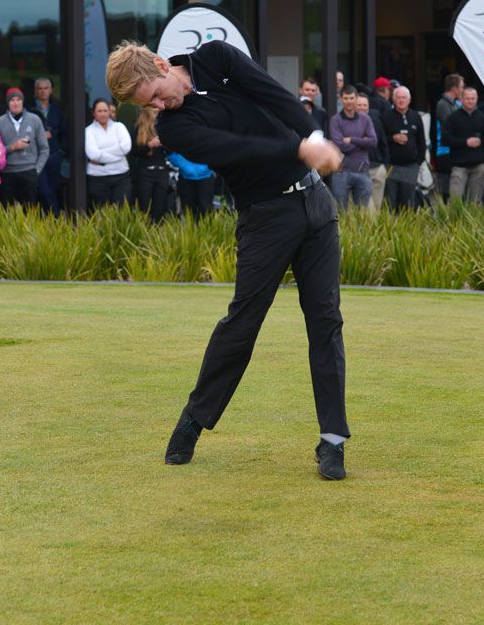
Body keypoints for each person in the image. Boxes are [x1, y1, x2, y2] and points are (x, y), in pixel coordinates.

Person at [106, 39, 350, 480]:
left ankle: (332, 440)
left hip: (316, 203)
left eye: (156, 94)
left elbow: (271, 93)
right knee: (242, 323)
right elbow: (236, 147)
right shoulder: (175, 129)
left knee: (326, 320)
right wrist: (300, 150)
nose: (159, 106)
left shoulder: (216, 58)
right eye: (148, 105)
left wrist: (313, 136)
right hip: (265, 219)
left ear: (161, 64)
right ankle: (193, 420)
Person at [0, 88, 49, 206]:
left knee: (29, 210)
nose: (16, 103)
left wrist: (37, 170)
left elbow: (44, 149)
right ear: (8, 103)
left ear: (23, 102)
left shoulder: (34, 120)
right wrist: (13, 147)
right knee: (7, 211)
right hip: (7, 173)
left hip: (29, 172)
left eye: (18, 99)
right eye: (12, 100)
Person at [329, 85, 377, 209]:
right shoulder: (335, 120)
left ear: (356, 98)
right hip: (341, 172)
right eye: (346, 98)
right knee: (340, 212)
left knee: (362, 214)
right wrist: (362, 142)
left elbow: (373, 142)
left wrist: (351, 139)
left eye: (351, 98)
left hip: (363, 171)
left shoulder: (365, 119)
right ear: (341, 99)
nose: (349, 101)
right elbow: (340, 146)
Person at [444, 87, 484, 204]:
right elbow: (446, 140)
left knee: (475, 203)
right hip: (459, 166)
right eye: (467, 98)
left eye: (473, 98)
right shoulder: (453, 118)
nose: (470, 101)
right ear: (461, 99)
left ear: (477, 99)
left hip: (479, 167)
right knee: (455, 201)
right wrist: (465, 142)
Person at [382, 85, 425, 210]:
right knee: (390, 202)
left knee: (408, 203)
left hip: (410, 166)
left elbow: (421, 141)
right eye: (398, 97)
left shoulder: (416, 117)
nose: (401, 100)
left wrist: (418, 162)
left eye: (404, 97)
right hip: (391, 166)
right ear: (393, 99)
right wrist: (393, 138)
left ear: (409, 100)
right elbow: (381, 140)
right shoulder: (386, 117)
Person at [85, 98, 132, 208]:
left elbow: (126, 147)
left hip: (121, 176)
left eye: (105, 111)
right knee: (101, 212)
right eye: (99, 111)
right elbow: (93, 154)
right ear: (93, 113)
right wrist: (119, 156)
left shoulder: (119, 126)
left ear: (110, 112)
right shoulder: (88, 131)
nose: (103, 114)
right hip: (98, 178)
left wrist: (102, 154)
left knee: (122, 211)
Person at [31, 77, 67, 214]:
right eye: (40, 88)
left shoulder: (57, 110)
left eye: (46, 88)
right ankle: (57, 216)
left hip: (54, 155)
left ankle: (47, 220)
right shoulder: (30, 110)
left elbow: (65, 132)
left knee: (52, 189)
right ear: (35, 91)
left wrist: (61, 151)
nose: (43, 91)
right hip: (37, 157)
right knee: (44, 190)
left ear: (51, 90)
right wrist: (39, 135)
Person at [132, 107, 171, 221]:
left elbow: (171, 151)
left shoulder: (163, 125)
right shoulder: (138, 128)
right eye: (153, 107)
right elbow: (135, 152)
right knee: (144, 207)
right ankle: (144, 230)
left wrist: (165, 143)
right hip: (145, 172)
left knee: (160, 208)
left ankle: (158, 231)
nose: (156, 109)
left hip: (162, 171)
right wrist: (149, 145)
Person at [355, 92, 389, 211]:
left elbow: (383, 143)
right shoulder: (348, 122)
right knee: (368, 210)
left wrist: (385, 165)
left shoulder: (375, 120)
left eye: (365, 105)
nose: (362, 108)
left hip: (378, 169)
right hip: (360, 171)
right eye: (359, 105)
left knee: (377, 207)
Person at [435, 73, 463, 203]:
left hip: (455, 150)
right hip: (445, 151)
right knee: (446, 189)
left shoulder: (456, 104)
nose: (462, 90)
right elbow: (451, 125)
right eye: (461, 87)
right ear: (454, 88)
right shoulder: (442, 104)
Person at [168, 151, 215, 218]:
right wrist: (182, 165)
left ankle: (206, 225)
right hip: (185, 177)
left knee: (206, 208)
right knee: (188, 210)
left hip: (206, 176)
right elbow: (171, 152)